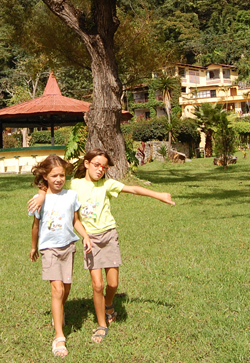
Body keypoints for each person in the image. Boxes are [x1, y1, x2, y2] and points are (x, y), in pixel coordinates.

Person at [27, 149, 175, 344]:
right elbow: (53, 182)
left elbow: (134, 189)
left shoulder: (107, 185)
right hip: (90, 240)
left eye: (104, 167)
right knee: (98, 285)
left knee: (112, 284)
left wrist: (159, 195)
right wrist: (41, 194)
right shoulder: (75, 185)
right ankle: (101, 324)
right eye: (96, 164)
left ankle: (108, 304)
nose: (100, 169)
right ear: (87, 163)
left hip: (109, 235)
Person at [29, 155, 93, 357]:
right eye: (54, 175)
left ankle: (60, 311)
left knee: (66, 288)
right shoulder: (41, 198)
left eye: (62, 175)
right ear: (45, 177)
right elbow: (36, 226)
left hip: (68, 246)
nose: (58, 179)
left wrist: (85, 237)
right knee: (56, 289)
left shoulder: (71, 196)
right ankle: (59, 337)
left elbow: (75, 221)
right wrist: (33, 247)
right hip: (49, 248)